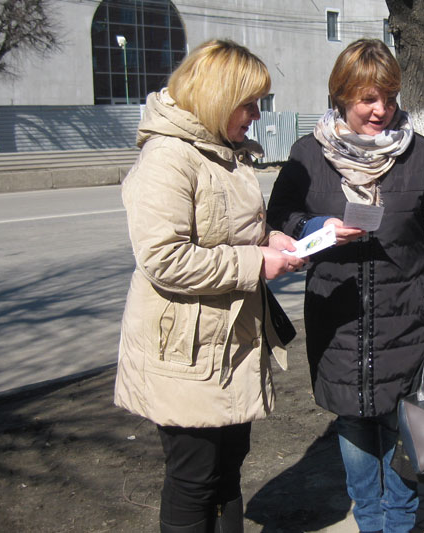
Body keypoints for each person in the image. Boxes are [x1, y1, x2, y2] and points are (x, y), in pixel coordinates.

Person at [266, 38, 424, 533]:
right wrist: (316, 228)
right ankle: (369, 520)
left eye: (389, 98)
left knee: (403, 419)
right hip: (337, 315)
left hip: (406, 314)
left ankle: (399, 521)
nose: (381, 110)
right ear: (341, 96)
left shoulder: (420, 155)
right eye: (368, 99)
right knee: (352, 419)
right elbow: (280, 215)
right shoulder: (308, 154)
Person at [113, 39, 305, 533]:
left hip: (231, 339)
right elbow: (164, 259)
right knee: (194, 479)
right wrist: (255, 262)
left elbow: (227, 230)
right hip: (187, 350)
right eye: (249, 103)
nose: (257, 115)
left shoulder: (225, 153)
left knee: (227, 471)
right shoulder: (167, 157)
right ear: (218, 97)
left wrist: (272, 239)